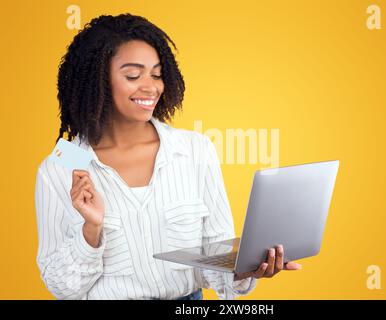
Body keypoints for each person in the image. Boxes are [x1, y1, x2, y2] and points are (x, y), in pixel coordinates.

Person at [34, 13, 301, 300]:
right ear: (97, 80)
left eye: (157, 74)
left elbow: (216, 256)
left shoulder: (195, 149)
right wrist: (91, 229)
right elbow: (61, 287)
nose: (151, 87)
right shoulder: (62, 165)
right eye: (133, 75)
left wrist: (246, 269)